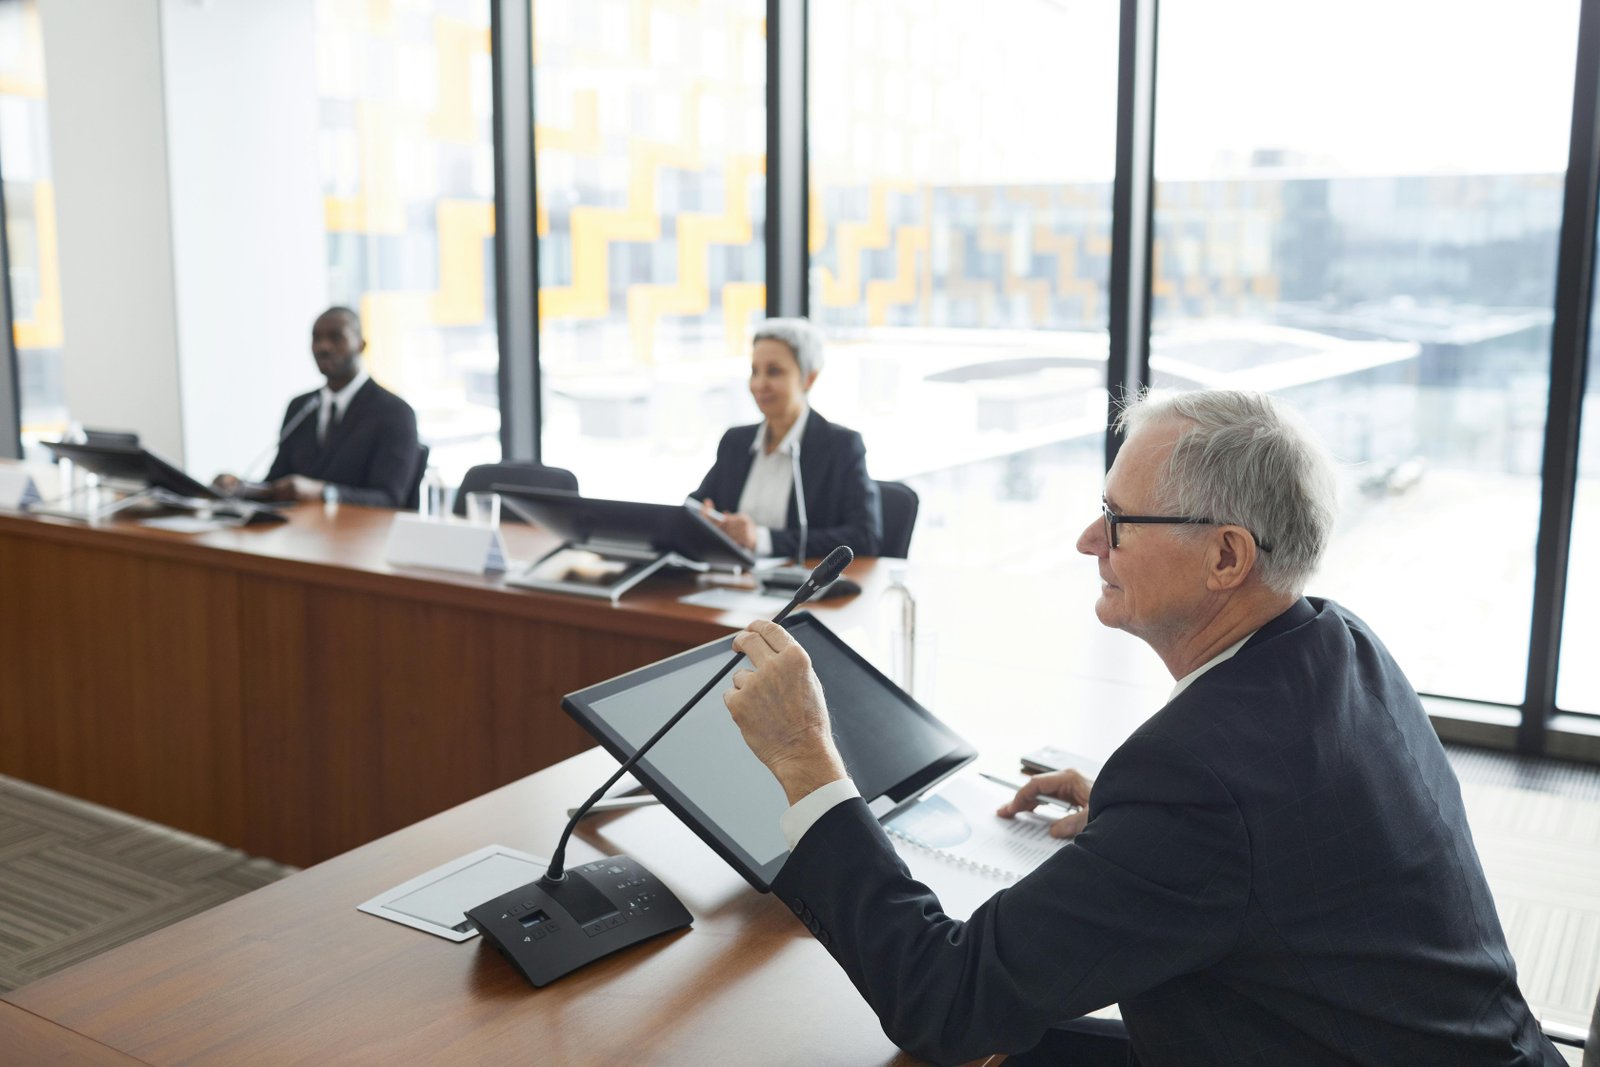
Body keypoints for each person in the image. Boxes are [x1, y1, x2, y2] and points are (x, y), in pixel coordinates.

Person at [721, 389, 1561, 1066]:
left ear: (1227, 557)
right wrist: (1133, 823)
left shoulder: (1199, 781)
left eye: (1119, 519)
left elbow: (944, 1003)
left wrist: (804, 759)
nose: (1090, 538)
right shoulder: (1337, 641)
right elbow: (1291, 830)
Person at [691, 317, 882, 559]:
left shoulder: (841, 447)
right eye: (754, 371)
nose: (760, 384)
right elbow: (695, 505)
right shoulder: (735, 442)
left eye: (774, 371)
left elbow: (864, 538)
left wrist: (761, 539)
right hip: (731, 581)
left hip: (800, 589)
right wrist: (704, 518)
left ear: (808, 378)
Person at [214, 307, 420, 507]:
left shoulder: (394, 412)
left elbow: (390, 498)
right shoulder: (300, 406)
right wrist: (241, 487)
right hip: (300, 535)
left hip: (359, 537)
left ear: (361, 345)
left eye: (336, 337)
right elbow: (276, 483)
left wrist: (324, 493)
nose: (323, 347)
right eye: (316, 338)